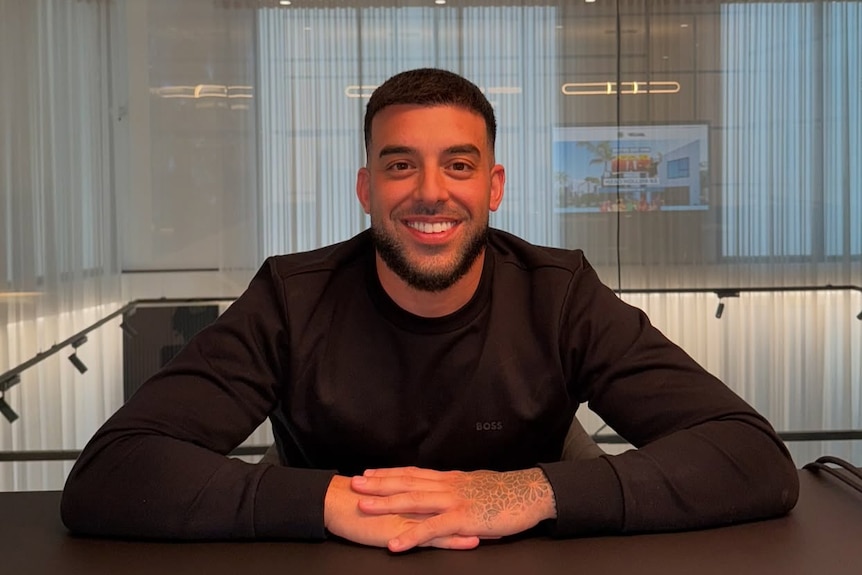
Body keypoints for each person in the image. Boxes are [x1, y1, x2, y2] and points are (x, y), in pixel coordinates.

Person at [61, 68, 798, 552]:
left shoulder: (559, 291)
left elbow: (750, 454)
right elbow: (112, 472)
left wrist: (523, 489)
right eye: (400, 163)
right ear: (366, 187)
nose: (430, 191)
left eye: (459, 164)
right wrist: (324, 499)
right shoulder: (292, 297)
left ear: (494, 186)